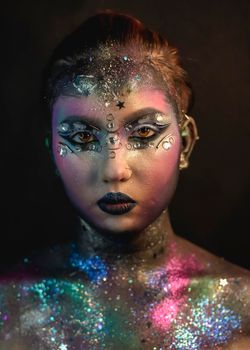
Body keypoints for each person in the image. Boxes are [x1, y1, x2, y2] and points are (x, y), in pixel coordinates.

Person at [0, 10, 249, 350]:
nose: (115, 170)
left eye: (145, 132)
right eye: (83, 138)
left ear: (186, 142)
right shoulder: (10, 308)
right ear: (52, 151)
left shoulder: (241, 308)